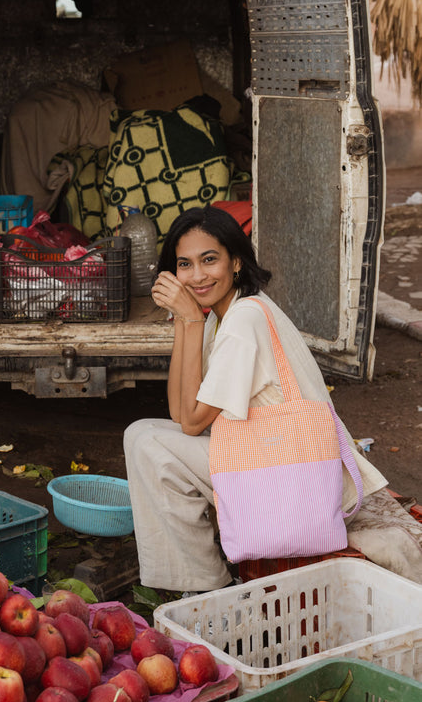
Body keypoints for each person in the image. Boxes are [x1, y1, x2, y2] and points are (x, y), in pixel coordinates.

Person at [123, 205, 388, 595]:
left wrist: (191, 319)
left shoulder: (245, 319)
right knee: (145, 432)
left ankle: (206, 589)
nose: (198, 275)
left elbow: (192, 423)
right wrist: (185, 320)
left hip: (293, 477)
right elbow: (180, 412)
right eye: (185, 264)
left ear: (235, 262)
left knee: (148, 443)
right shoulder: (222, 315)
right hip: (274, 460)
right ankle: (200, 579)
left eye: (209, 260)